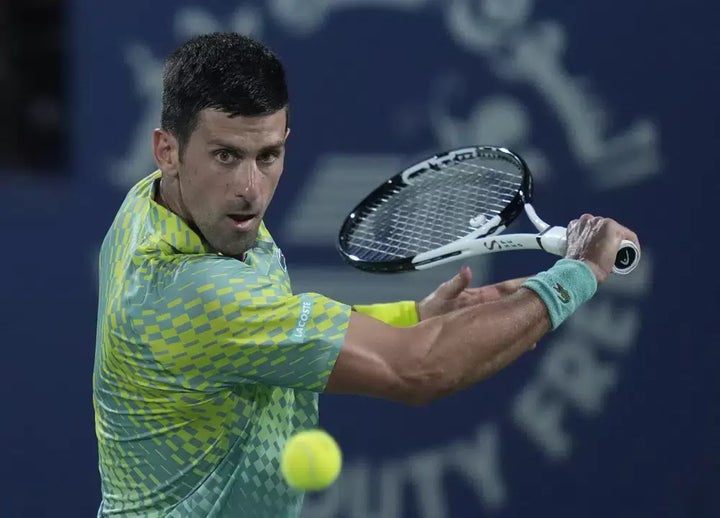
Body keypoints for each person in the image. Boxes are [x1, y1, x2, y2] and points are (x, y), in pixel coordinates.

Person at [92, 32, 640, 517]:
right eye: (226, 156)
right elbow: (417, 371)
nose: (250, 188)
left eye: (268, 155)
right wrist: (577, 275)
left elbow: (268, 331)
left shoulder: (151, 206)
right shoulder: (195, 292)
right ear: (168, 150)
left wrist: (413, 315)